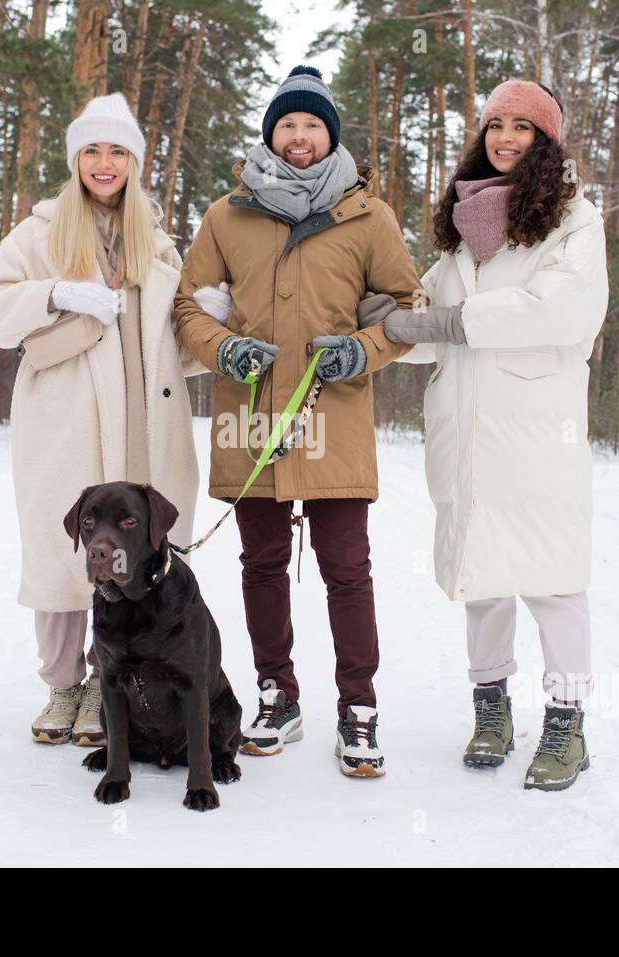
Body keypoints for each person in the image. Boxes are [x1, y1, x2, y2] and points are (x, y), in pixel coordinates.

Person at [173, 65, 419, 778]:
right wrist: (227, 349)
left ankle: (359, 706)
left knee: (348, 568)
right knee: (262, 563)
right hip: (252, 418)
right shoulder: (226, 215)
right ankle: (276, 693)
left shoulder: (368, 216)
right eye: (289, 124)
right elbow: (188, 305)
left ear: (330, 133)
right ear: (271, 134)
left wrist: (362, 350)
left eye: (313, 124)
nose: (301, 136)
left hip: (333, 416)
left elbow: (404, 309)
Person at [383, 79, 609, 790]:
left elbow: (563, 311)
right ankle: (491, 711)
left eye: (523, 126)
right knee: (483, 578)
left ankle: (566, 725)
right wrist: (382, 325)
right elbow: (429, 324)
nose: (505, 137)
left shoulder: (574, 218)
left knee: (552, 580)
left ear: (547, 141)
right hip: (466, 427)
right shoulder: (462, 229)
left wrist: (450, 323)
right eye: (495, 124)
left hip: (537, 429)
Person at [0, 93, 202, 748]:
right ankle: (62, 684)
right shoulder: (40, 233)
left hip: (140, 429)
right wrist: (53, 293)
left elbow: (175, 349)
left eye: (117, 150)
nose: (105, 162)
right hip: (65, 423)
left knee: (132, 555)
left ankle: (109, 682)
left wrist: (213, 318)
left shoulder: (157, 246)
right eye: (93, 150)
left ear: (134, 161)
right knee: (62, 554)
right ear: (76, 160)